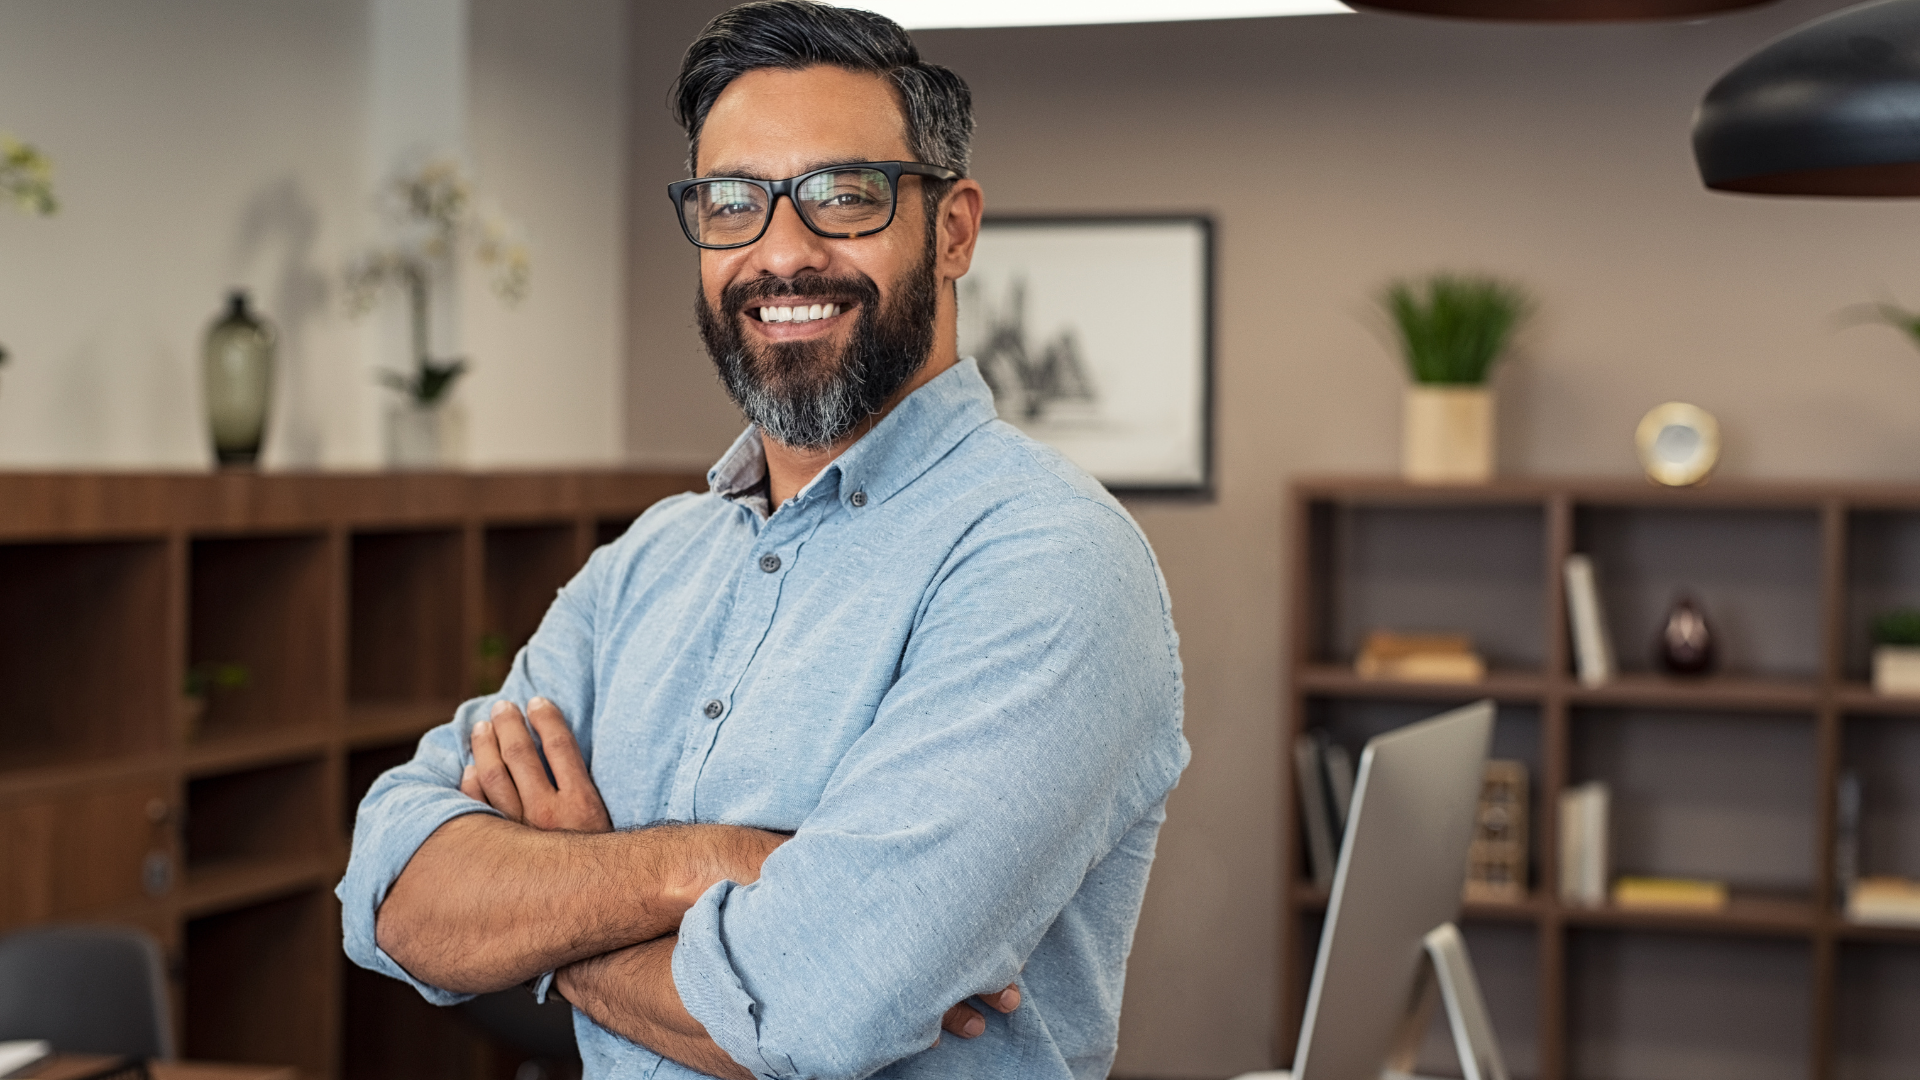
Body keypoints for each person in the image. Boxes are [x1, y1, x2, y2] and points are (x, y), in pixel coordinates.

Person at [336, 3, 1188, 1077]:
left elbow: (813, 1013)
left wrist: (545, 916)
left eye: (842, 195)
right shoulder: (649, 563)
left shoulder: (1050, 562)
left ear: (954, 228)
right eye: (732, 202)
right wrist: (712, 867)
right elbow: (388, 891)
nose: (781, 253)